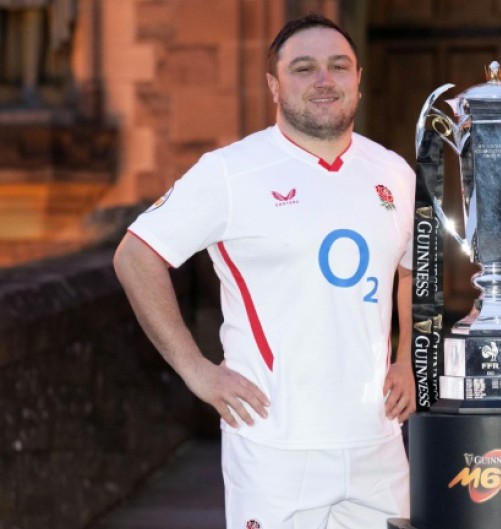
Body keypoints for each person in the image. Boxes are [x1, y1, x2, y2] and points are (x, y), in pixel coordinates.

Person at [113, 14, 416, 529]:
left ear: (358, 79)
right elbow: (136, 257)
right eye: (304, 68)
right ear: (274, 85)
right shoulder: (230, 172)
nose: (324, 80)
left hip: (377, 442)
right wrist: (196, 370)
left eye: (338, 66)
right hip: (275, 445)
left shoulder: (394, 171)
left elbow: (409, 269)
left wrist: (409, 355)